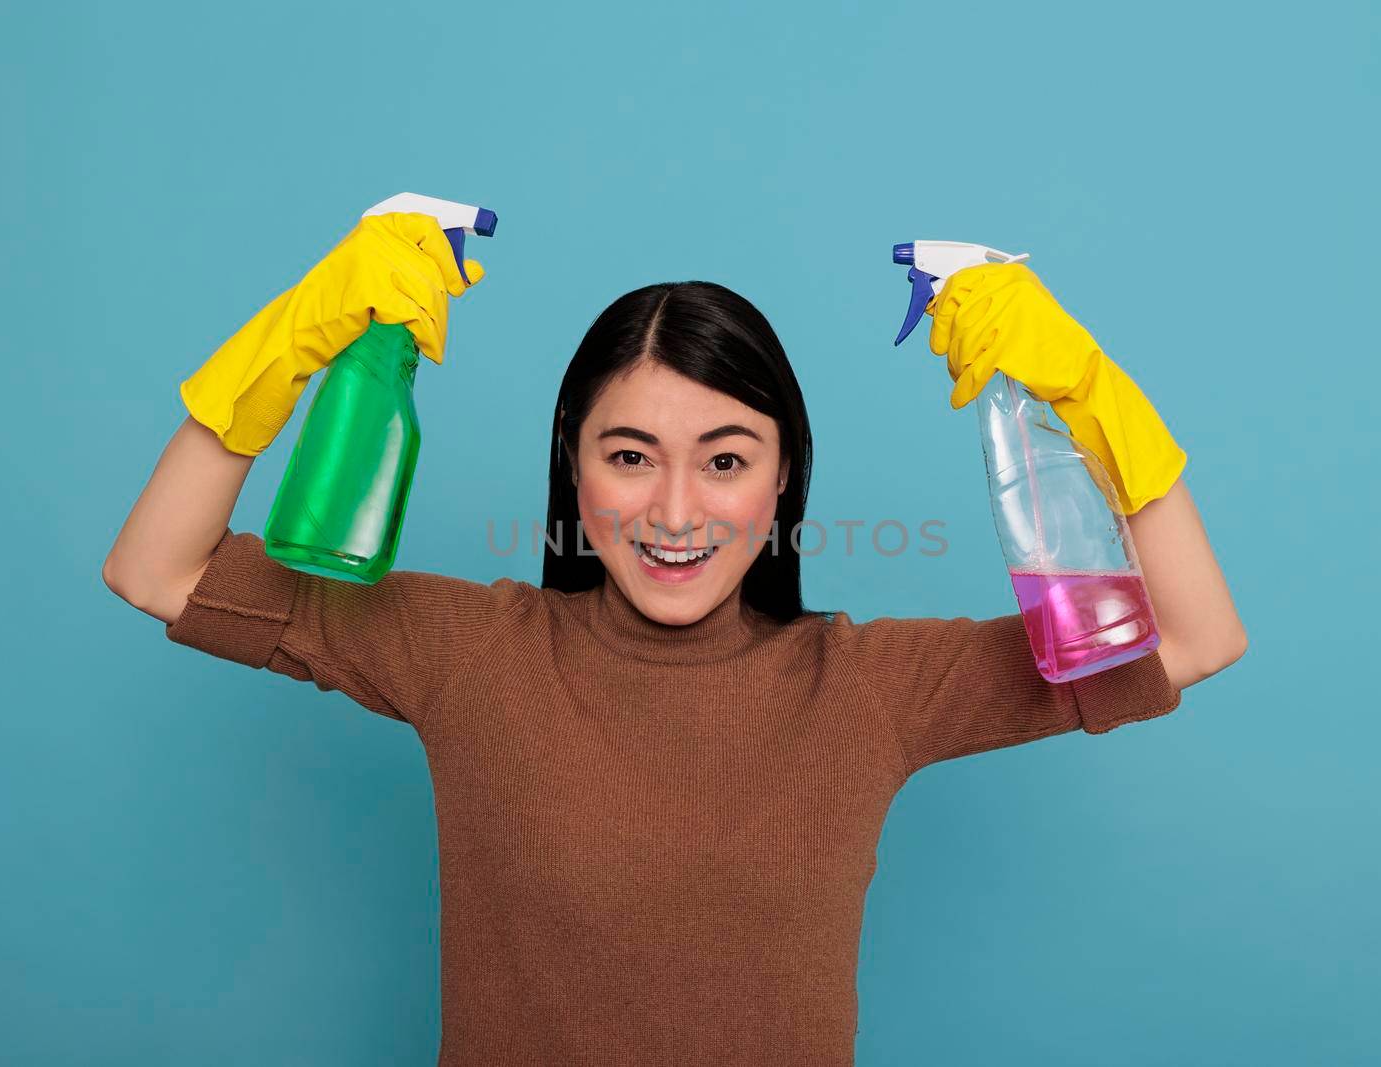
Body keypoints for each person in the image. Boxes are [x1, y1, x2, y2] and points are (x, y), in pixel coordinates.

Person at [104, 208, 1247, 1066]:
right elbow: (156, 566)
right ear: (573, 462)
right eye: (630, 454)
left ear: (783, 473)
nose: (677, 512)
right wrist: (304, 335)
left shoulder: (871, 684)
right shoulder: (468, 648)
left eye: (727, 457)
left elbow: (1194, 636)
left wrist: (1083, 397)